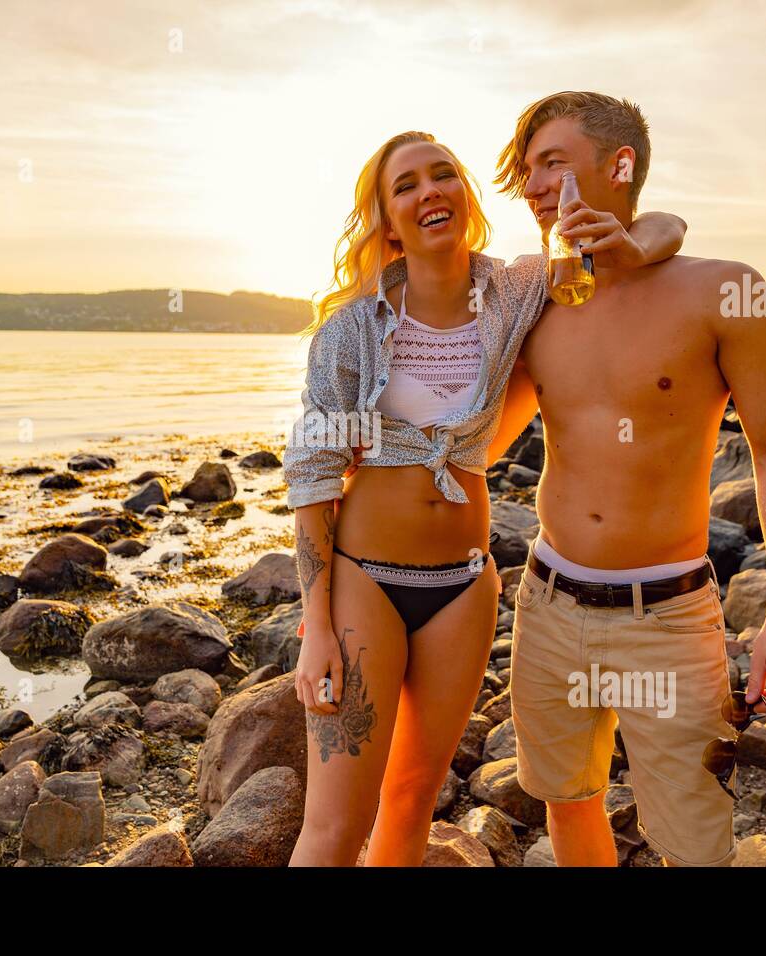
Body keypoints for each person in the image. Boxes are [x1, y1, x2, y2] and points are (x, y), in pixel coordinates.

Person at [281, 129, 687, 866]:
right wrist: (316, 625)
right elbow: (311, 481)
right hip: (365, 582)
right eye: (405, 185)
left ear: (464, 197)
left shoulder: (517, 290)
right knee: (335, 826)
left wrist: (629, 234)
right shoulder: (351, 330)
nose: (428, 190)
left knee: (411, 801)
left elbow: (662, 232)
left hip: (465, 588)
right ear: (388, 219)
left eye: (443, 175)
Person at [487, 91, 766, 867]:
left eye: (552, 163)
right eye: (526, 170)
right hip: (548, 604)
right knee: (569, 804)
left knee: (698, 845)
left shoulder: (723, 291)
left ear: (620, 165)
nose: (533, 185)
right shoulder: (534, 294)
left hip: (668, 617)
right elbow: (481, 441)